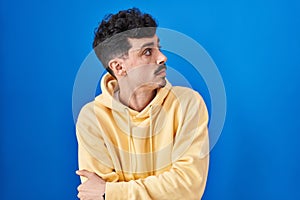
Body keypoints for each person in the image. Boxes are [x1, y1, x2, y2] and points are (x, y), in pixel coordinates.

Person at [76, 8, 209, 200]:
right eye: (148, 52)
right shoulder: (92, 118)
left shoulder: (188, 104)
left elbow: (188, 186)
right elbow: (93, 195)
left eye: (159, 48)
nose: (163, 58)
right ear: (119, 67)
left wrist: (110, 192)